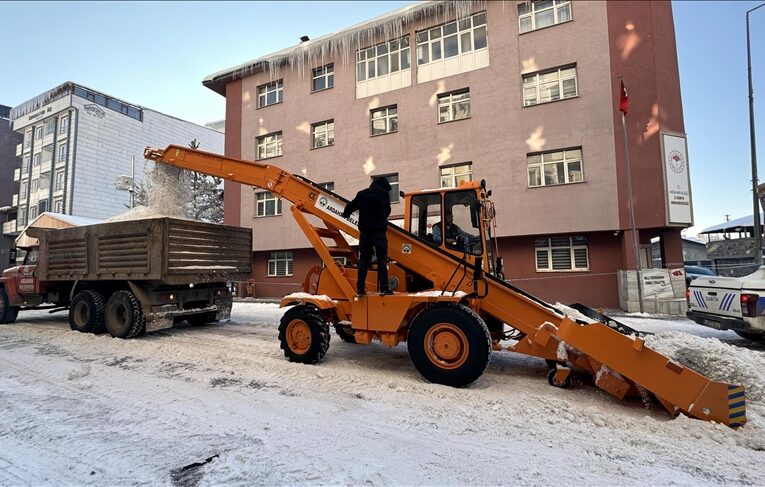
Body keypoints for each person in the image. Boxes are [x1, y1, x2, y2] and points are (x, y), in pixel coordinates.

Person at [342, 177, 393, 296]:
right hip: (379, 231)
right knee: (381, 259)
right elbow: (387, 210)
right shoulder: (384, 194)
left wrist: (345, 214)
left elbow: (350, 207)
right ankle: (384, 288)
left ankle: (360, 289)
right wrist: (381, 218)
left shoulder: (362, 194)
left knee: (364, 260)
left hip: (365, 232)